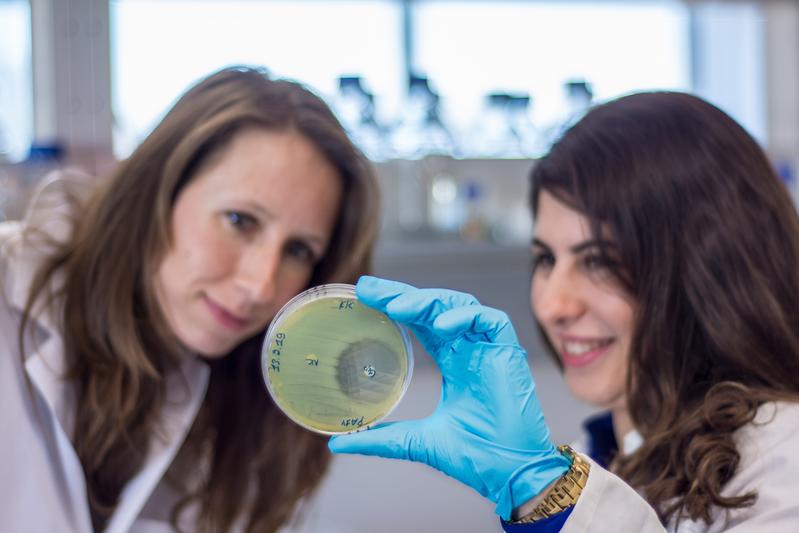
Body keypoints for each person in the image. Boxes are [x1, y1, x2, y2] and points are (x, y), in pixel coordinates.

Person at [329, 91, 799, 531]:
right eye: (547, 259)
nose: (553, 305)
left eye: (599, 261)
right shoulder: (597, 453)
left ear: (711, 267)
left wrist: (546, 493)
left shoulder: (784, 459)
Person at [0, 66, 380, 532]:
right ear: (158, 192)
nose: (260, 286)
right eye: (240, 220)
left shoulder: (253, 412)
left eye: (298, 250)